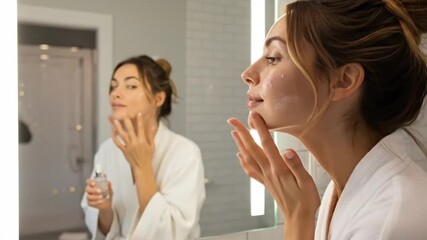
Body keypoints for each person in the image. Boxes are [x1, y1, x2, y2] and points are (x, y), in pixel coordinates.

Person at [227, 0, 427, 239]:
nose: (247, 74)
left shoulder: (389, 222)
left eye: (273, 58)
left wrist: (298, 218)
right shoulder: (342, 191)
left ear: (343, 80)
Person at [81, 55, 206, 240]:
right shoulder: (107, 150)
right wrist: (105, 208)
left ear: (158, 98)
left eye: (131, 86)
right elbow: (106, 231)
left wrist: (142, 166)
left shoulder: (185, 153)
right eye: (114, 86)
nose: (115, 93)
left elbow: (172, 233)